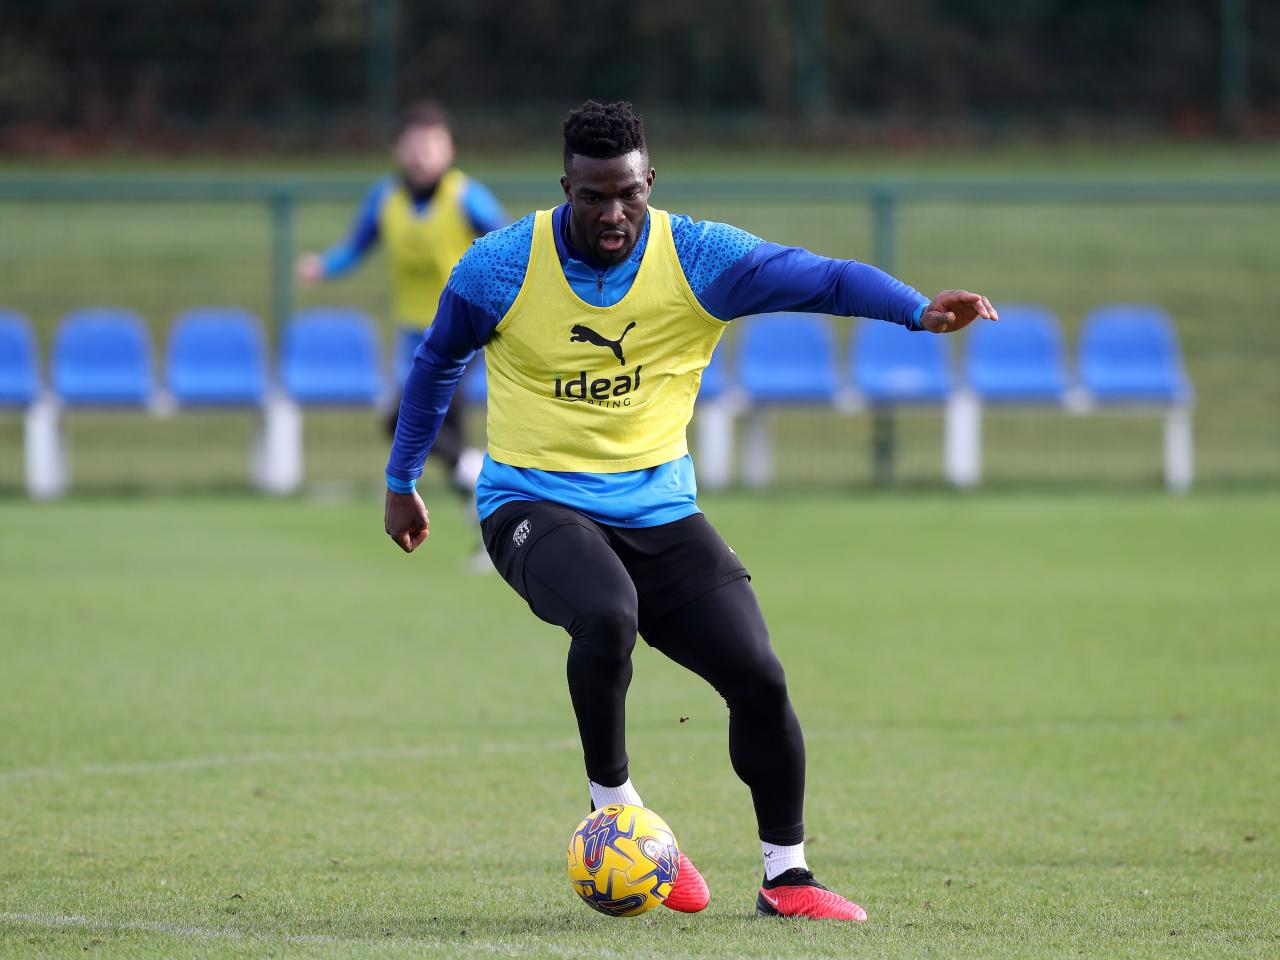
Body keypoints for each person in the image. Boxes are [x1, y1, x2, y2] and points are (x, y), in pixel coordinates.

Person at [383, 100, 996, 921]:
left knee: (761, 676)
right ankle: (616, 813)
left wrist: (916, 310)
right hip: (532, 500)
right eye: (593, 196)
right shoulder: (499, 267)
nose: (613, 214)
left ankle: (788, 878)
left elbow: (825, 278)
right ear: (566, 186)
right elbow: (433, 365)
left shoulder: (699, 256)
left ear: (651, 182)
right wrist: (402, 480)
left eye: (628, 194)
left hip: (661, 509)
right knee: (607, 615)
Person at [298, 100, 506, 566]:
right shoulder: (385, 199)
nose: (421, 156)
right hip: (415, 338)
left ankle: (487, 495)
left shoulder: (465, 196)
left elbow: (508, 244)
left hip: (462, 334)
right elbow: (356, 245)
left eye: (432, 146)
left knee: (404, 420)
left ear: (448, 149)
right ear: (399, 149)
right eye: (413, 146)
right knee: (434, 431)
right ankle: (489, 524)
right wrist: (323, 267)